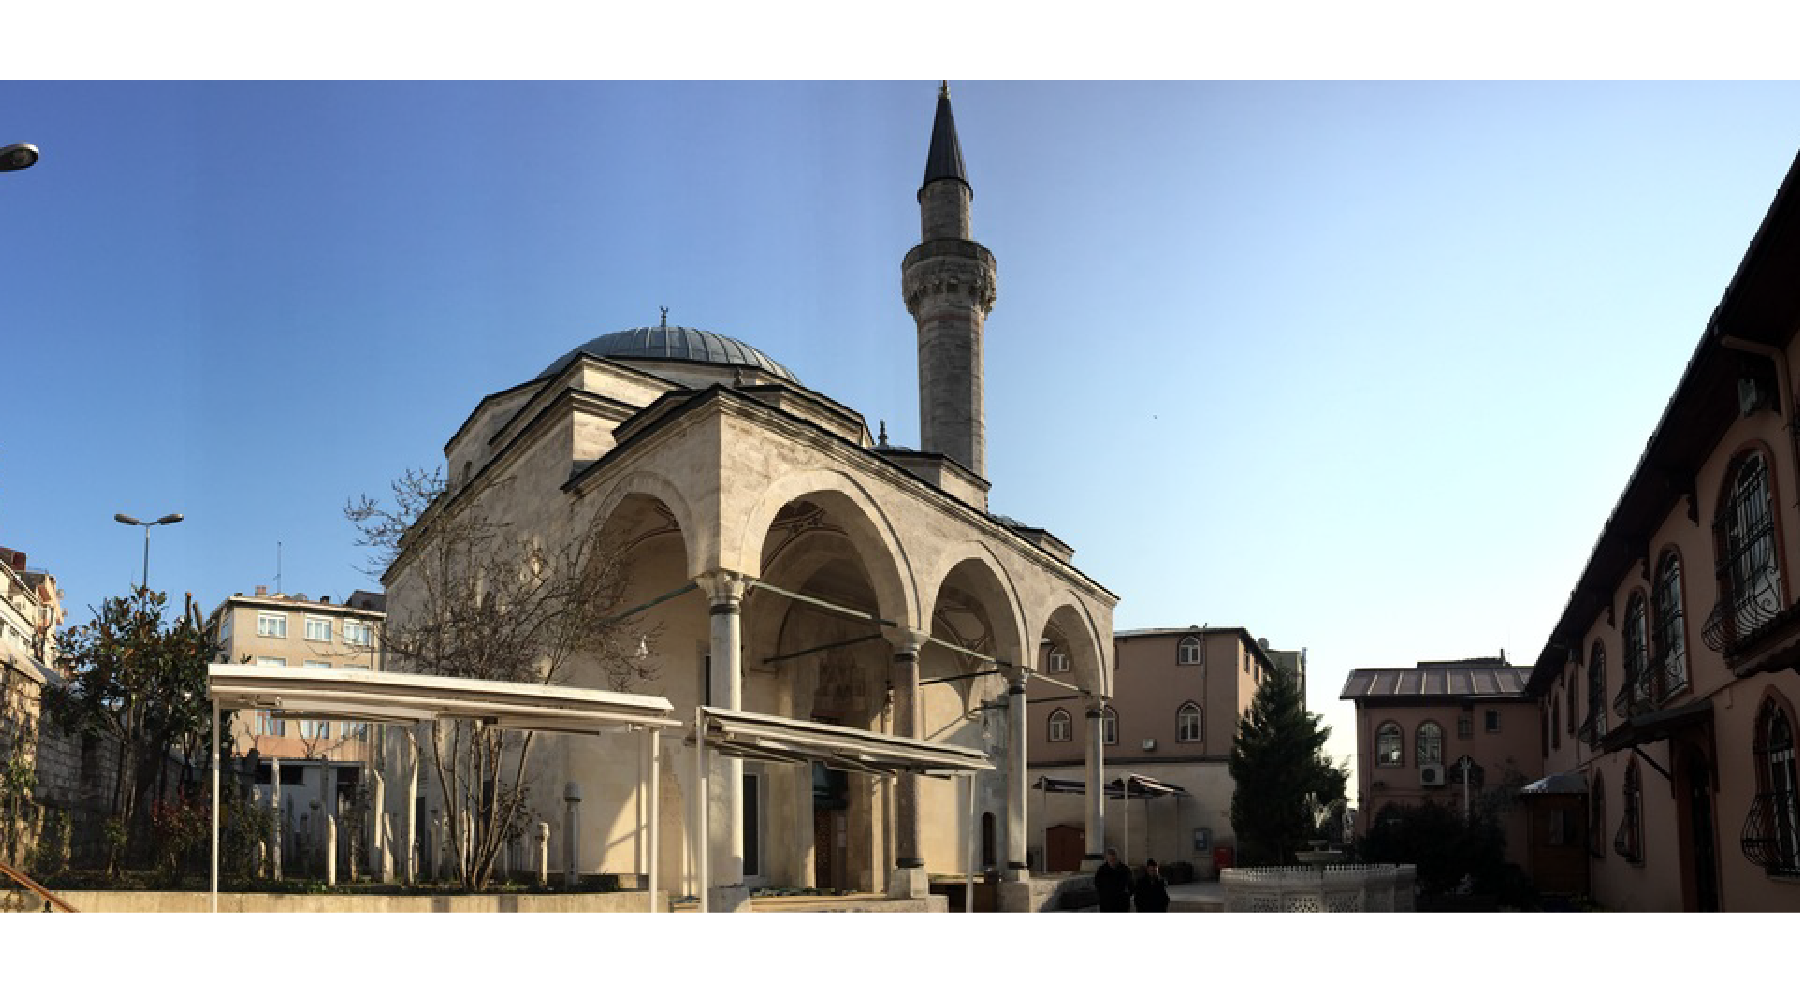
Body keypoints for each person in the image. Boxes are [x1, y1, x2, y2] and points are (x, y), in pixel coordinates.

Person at [1094, 847, 1133, 912]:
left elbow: (1131, 886)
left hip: (1121, 905)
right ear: (1107, 859)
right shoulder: (1102, 870)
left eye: (1114, 859)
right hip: (1106, 905)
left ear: (1117, 858)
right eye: (1110, 860)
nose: (1112, 862)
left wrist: (1126, 897)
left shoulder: (1125, 870)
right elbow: (1097, 884)